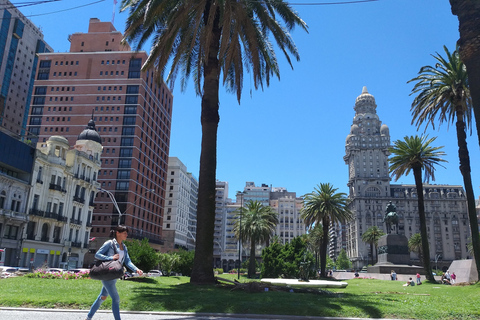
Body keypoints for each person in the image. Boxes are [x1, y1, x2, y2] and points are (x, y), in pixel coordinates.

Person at [86, 225, 143, 320]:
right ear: (118, 233)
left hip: (114, 275)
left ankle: (88, 318)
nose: (126, 235)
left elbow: (128, 261)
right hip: (107, 274)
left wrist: (136, 269)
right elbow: (97, 255)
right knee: (116, 299)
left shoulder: (124, 247)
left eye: (126, 233)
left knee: (102, 297)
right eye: (124, 233)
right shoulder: (110, 243)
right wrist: (110, 258)